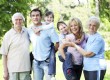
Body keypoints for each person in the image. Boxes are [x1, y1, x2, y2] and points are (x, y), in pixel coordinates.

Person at [28, 8, 59, 80]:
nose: (35, 17)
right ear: (31, 17)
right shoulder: (29, 29)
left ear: (41, 17)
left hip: (47, 62)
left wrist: (51, 54)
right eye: (33, 15)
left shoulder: (48, 28)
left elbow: (57, 42)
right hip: (35, 62)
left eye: (37, 15)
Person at [0, 12, 31, 80]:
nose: (18, 21)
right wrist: (5, 72)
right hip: (12, 70)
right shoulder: (8, 35)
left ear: (23, 21)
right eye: (16, 20)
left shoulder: (28, 32)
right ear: (13, 21)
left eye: (20, 19)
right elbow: (4, 54)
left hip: (25, 69)